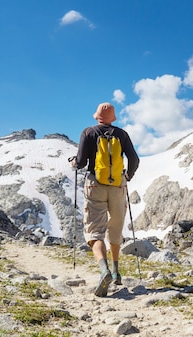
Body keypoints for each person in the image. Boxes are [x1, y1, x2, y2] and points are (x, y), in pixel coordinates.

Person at [71, 102, 139, 297]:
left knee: (95, 230)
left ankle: (104, 270)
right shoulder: (122, 134)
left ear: (97, 116)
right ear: (113, 117)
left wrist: (74, 162)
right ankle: (117, 272)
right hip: (118, 185)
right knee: (115, 227)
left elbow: (82, 162)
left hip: (95, 185)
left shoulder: (88, 133)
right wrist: (127, 176)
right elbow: (134, 159)